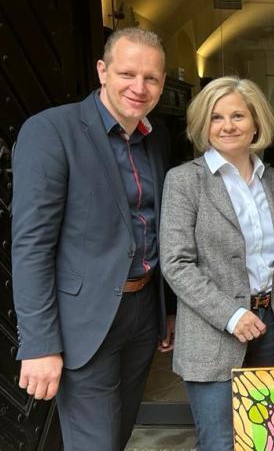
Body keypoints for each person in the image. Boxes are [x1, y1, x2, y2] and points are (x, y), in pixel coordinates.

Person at [11, 27, 174, 450]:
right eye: (127, 74)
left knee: (117, 437)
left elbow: (157, 226)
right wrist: (40, 344)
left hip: (142, 314)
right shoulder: (51, 130)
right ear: (103, 71)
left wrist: (165, 311)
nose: (139, 87)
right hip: (83, 321)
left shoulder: (156, 138)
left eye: (151, 78)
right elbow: (32, 246)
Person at [159, 76, 274, 450]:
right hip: (213, 331)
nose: (227, 126)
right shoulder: (184, 181)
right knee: (220, 443)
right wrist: (232, 315)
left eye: (238, 115)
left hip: (271, 325)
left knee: (266, 439)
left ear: (256, 122)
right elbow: (176, 263)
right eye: (216, 117)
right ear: (203, 124)